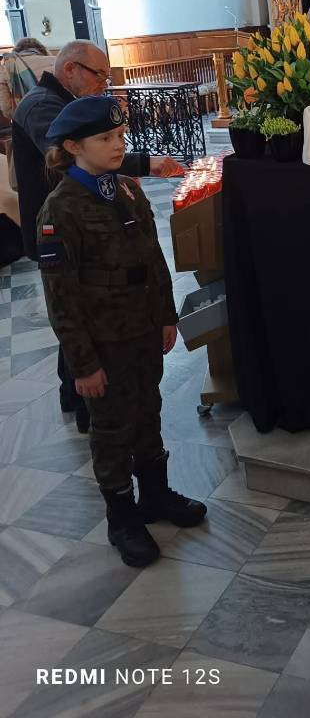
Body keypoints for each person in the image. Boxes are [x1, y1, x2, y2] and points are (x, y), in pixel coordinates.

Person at [37, 95, 206, 567]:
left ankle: (155, 494)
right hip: (102, 341)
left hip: (142, 330)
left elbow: (153, 260)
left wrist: (166, 316)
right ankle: (122, 518)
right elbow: (61, 298)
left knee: (148, 410)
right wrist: (82, 364)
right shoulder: (61, 209)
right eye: (105, 138)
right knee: (112, 428)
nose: (118, 145)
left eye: (120, 136)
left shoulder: (127, 190)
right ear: (74, 147)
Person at [12, 39, 183, 430]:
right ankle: (83, 396)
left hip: (90, 229)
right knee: (77, 307)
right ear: (70, 69)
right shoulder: (42, 105)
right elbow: (70, 157)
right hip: (65, 229)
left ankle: (79, 393)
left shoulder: (64, 103)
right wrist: (145, 163)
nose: (103, 84)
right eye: (98, 75)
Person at [0, 37, 54, 120]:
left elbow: (6, 108)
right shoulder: (55, 61)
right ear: (41, 49)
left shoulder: (7, 67)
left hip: (26, 118)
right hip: (56, 112)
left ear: (17, 50)